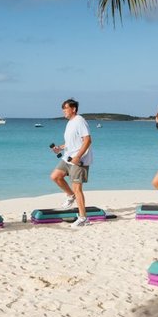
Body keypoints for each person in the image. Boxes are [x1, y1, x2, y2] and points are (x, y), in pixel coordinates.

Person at [50, 98, 93, 228]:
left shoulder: (80, 121)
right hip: (67, 157)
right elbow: (71, 143)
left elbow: (87, 140)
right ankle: (70, 196)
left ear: (73, 109)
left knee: (78, 189)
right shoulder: (70, 123)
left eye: (66, 108)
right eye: (62, 109)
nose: (64, 111)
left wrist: (78, 156)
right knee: (55, 176)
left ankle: (83, 218)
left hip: (79, 160)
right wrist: (60, 147)